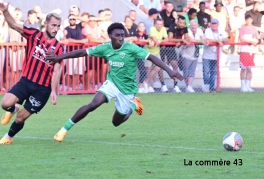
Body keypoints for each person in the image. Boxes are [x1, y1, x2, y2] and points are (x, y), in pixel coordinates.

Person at [46, 22, 183, 142]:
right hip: (112, 83)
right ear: (110, 36)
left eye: (122, 35)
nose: (121, 38)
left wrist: (169, 70)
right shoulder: (105, 47)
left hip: (128, 89)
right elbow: (82, 52)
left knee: (116, 122)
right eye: (117, 35)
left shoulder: (130, 47)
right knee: (93, 104)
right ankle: (64, 130)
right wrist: (59, 57)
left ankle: (133, 106)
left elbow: (151, 57)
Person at [0, 1, 64, 145]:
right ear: (46, 24)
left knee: (20, 118)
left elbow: (57, 70)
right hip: (26, 81)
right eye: (53, 25)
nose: (55, 28)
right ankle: (12, 109)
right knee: (5, 104)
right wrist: (5, 11)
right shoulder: (34, 34)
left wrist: (53, 91)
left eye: (58, 26)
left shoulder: (58, 48)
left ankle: (8, 137)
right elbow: (13, 25)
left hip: (42, 89)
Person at [203, 19, 229, 92]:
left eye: (215, 24)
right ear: (210, 24)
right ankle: (206, 88)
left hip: (216, 55)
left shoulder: (221, 30)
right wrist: (218, 40)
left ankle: (212, 87)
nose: (214, 25)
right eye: (213, 24)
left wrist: (221, 40)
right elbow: (207, 39)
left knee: (213, 71)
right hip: (207, 55)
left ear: (218, 24)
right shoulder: (208, 30)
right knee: (206, 71)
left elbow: (227, 39)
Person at [239, 15, 259, 92]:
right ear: (245, 20)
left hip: (251, 51)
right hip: (244, 50)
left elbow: (257, 38)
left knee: (249, 69)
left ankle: (248, 85)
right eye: (247, 19)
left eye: (250, 19)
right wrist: (251, 41)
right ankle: (242, 85)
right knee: (243, 69)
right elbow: (241, 39)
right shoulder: (242, 29)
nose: (249, 21)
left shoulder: (254, 29)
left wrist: (256, 42)